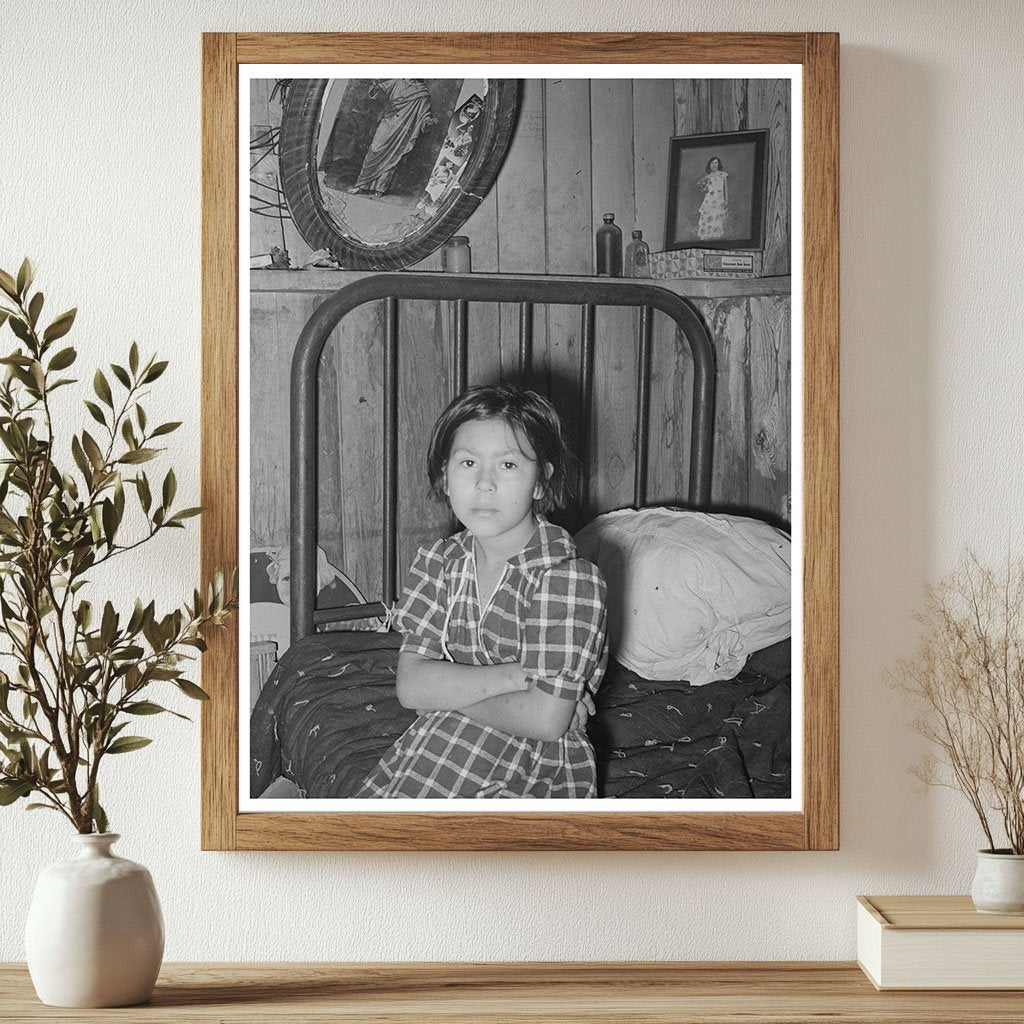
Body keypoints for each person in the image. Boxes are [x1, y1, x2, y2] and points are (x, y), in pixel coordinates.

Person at [356, 384, 608, 799]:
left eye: (508, 465)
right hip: (437, 742)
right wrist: (516, 677)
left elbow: (544, 722)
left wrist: (444, 693)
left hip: (535, 762)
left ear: (541, 481)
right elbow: (411, 687)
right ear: (445, 477)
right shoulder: (439, 562)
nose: (484, 484)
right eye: (469, 462)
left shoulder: (569, 579)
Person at [349, 79, 436, 197]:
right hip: (388, 121)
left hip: (403, 129)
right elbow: (380, 93)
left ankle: (381, 188)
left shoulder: (422, 92)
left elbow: (424, 114)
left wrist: (428, 121)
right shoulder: (397, 82)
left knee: (393, 157)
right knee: (375, 149)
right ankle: (361, 185)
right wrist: (376, 88)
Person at [696, 156, 729, 240]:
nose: (714, 165)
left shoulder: (722, 175)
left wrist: (726, 200)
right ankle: (707, 235)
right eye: (712, 163)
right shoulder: (707, 177)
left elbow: (725, 188)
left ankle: (715, 236)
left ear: (718, 164)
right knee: (708, 217)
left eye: (716, 163)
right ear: (709, 165)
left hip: (719, 199)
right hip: (709, 200)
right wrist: (704, 188)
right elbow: (706, 188)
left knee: (717, 217)